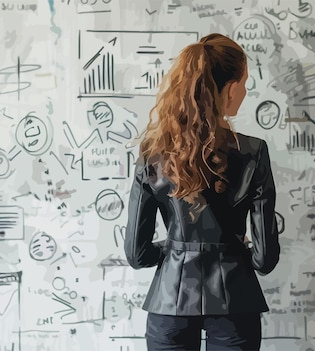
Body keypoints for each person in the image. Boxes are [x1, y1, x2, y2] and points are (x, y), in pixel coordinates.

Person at [124, 33, 280, 351]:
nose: (245, 91)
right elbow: (265, 259)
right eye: (245, 83)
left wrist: (173, 253)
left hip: (169, 301)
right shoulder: (253, 152)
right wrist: (236, 254)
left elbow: (137, 254)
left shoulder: (152, 153)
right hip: (236, 303)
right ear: (232, 88)